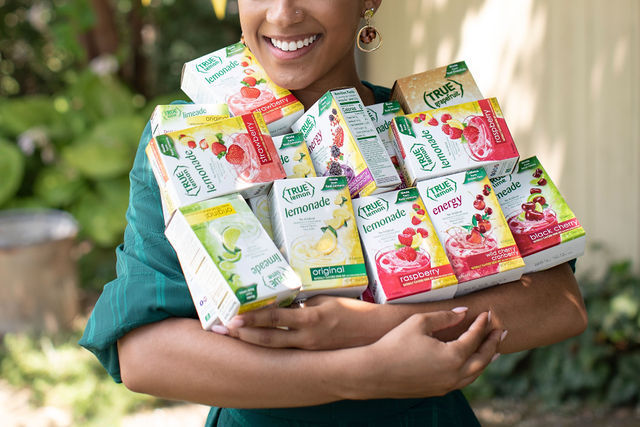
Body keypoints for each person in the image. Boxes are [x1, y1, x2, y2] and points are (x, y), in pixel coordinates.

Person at [80, 1, 588, 425]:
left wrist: (365, 325)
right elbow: (144, 354)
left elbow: (558, 305)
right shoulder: (188, 144)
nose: (282, 13)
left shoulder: (434, 126)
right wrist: (360, 372)